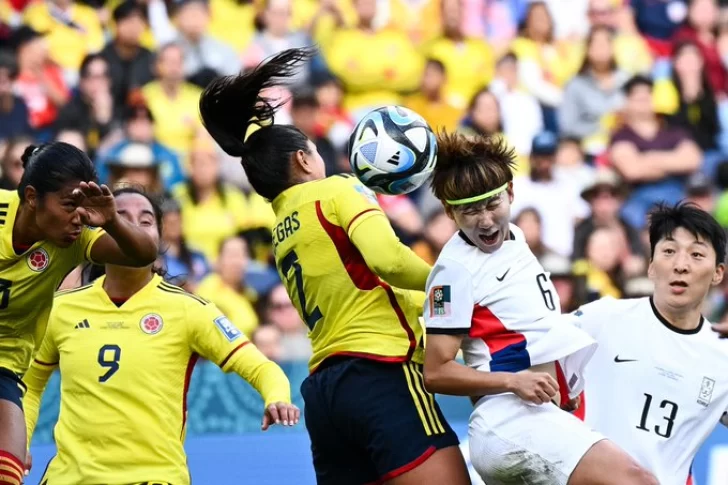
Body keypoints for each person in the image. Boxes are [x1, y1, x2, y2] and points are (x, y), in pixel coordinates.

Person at [198, 47, 470, 485]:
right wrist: (456, 281)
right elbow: (388, 261)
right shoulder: (339, 189)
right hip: (379, 370)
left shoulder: (281, 231)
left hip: (325, 394)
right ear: (304, 159)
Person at [421, 132, 658, 485]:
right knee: (637, 479)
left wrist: (563, 382)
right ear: (449, 212)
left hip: (540, 413)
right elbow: (436, 373)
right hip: (509, 421)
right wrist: (513, 382)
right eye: (469, 210)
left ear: (511, 193)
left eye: (491, 204)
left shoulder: (514, 235)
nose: (485, 220)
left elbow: (532, 327)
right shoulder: (453, 272)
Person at [22, 187, 297, 485]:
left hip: (154, 477)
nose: (131, 228)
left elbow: (261, 367)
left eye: (145, 221)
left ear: (159, 239)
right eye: (119, 218)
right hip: (70, 478)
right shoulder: (62, 309)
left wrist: (277, 397)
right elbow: (29, 388)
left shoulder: (189, 310)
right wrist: (19, 441)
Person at [0, 141, 158, 485]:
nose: (79, 217)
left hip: (5, 365)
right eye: (70, 204)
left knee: (7, 473)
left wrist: (112, 219)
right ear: (31, 197)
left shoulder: (77, 239)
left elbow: (143, 253)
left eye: (84, 208)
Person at [557, 203, 728, 485]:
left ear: (718, 273)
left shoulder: (722, 355)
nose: (680, 265)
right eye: (669, 251)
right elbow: (531, 352)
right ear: (650, 266)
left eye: (697, 255)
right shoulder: (601, 318)